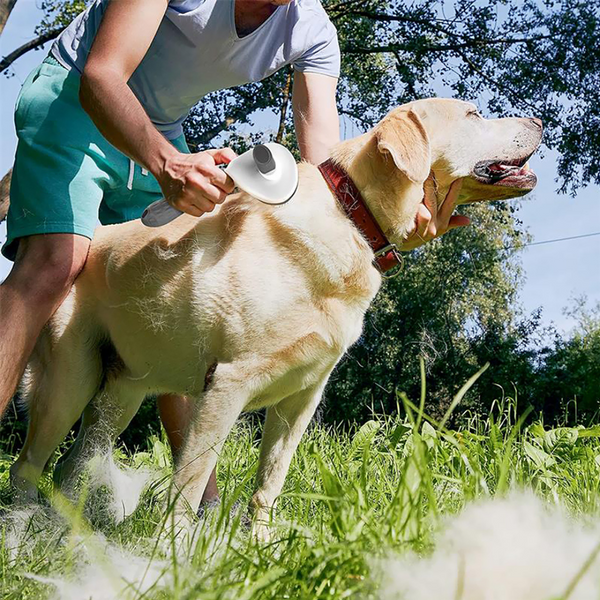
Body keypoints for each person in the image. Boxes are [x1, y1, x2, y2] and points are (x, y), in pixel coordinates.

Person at [0, 0, 469, 503]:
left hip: (161, 126)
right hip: (76, 97)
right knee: (56, 264)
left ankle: (204, 514)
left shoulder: (311, 32)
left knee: (180, 292)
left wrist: (391, 228)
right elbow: (102, 74)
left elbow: (328, 181)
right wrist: (168, 164)